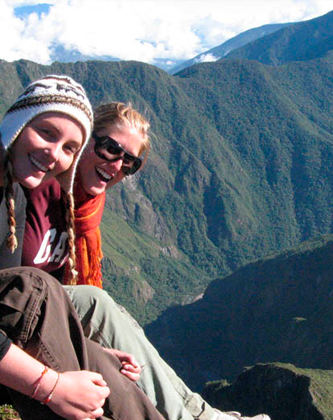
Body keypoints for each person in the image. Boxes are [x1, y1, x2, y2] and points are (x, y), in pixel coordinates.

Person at [0, 76, 164, 420]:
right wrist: (50, 386)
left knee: (97, 360)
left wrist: (88, 352)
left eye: (69, 148)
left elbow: (4, 309)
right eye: (47, 133)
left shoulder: (14, 196)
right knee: (36, 287)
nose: (54, 153)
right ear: (18, 122)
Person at [22, 102, 271, 420]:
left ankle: (204, 414)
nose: (116, 165)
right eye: (111, 148)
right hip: (22, 314)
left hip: (50, 313)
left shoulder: (86, 208)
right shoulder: (35, 184)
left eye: (129, 162)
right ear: (85, 138)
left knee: (121, 318)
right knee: (96, 304)